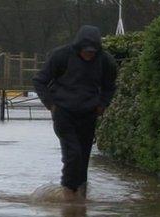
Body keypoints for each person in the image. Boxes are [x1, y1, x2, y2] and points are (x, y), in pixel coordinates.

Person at [32, 25, 117, 201]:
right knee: (73, 154)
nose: (89, 54)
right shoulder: (61, 56)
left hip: (89, 114)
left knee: (84, 156)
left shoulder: (105, 61)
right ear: (78, 47)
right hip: (63, 112)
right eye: (86, 51)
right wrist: (50, 104)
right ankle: (69, 193)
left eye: (93, 52)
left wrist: (102, 104)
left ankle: (81, 196)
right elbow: (39, 80)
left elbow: (109, 87)